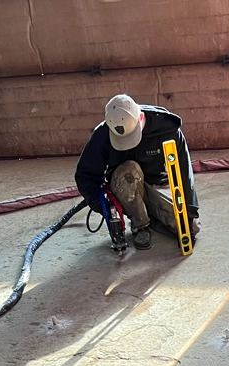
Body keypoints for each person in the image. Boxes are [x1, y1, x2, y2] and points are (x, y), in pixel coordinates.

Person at [75, 95, 199, 251]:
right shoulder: (103, 134)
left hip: (155, 184)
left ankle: (151, 215)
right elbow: (85, 176)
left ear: (141, 117)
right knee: (129, 170)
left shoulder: (166, 128)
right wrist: (106, 208)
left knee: (191, 227)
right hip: (124, 187)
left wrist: (189, 211)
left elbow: (184, 173)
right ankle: (140, 225)